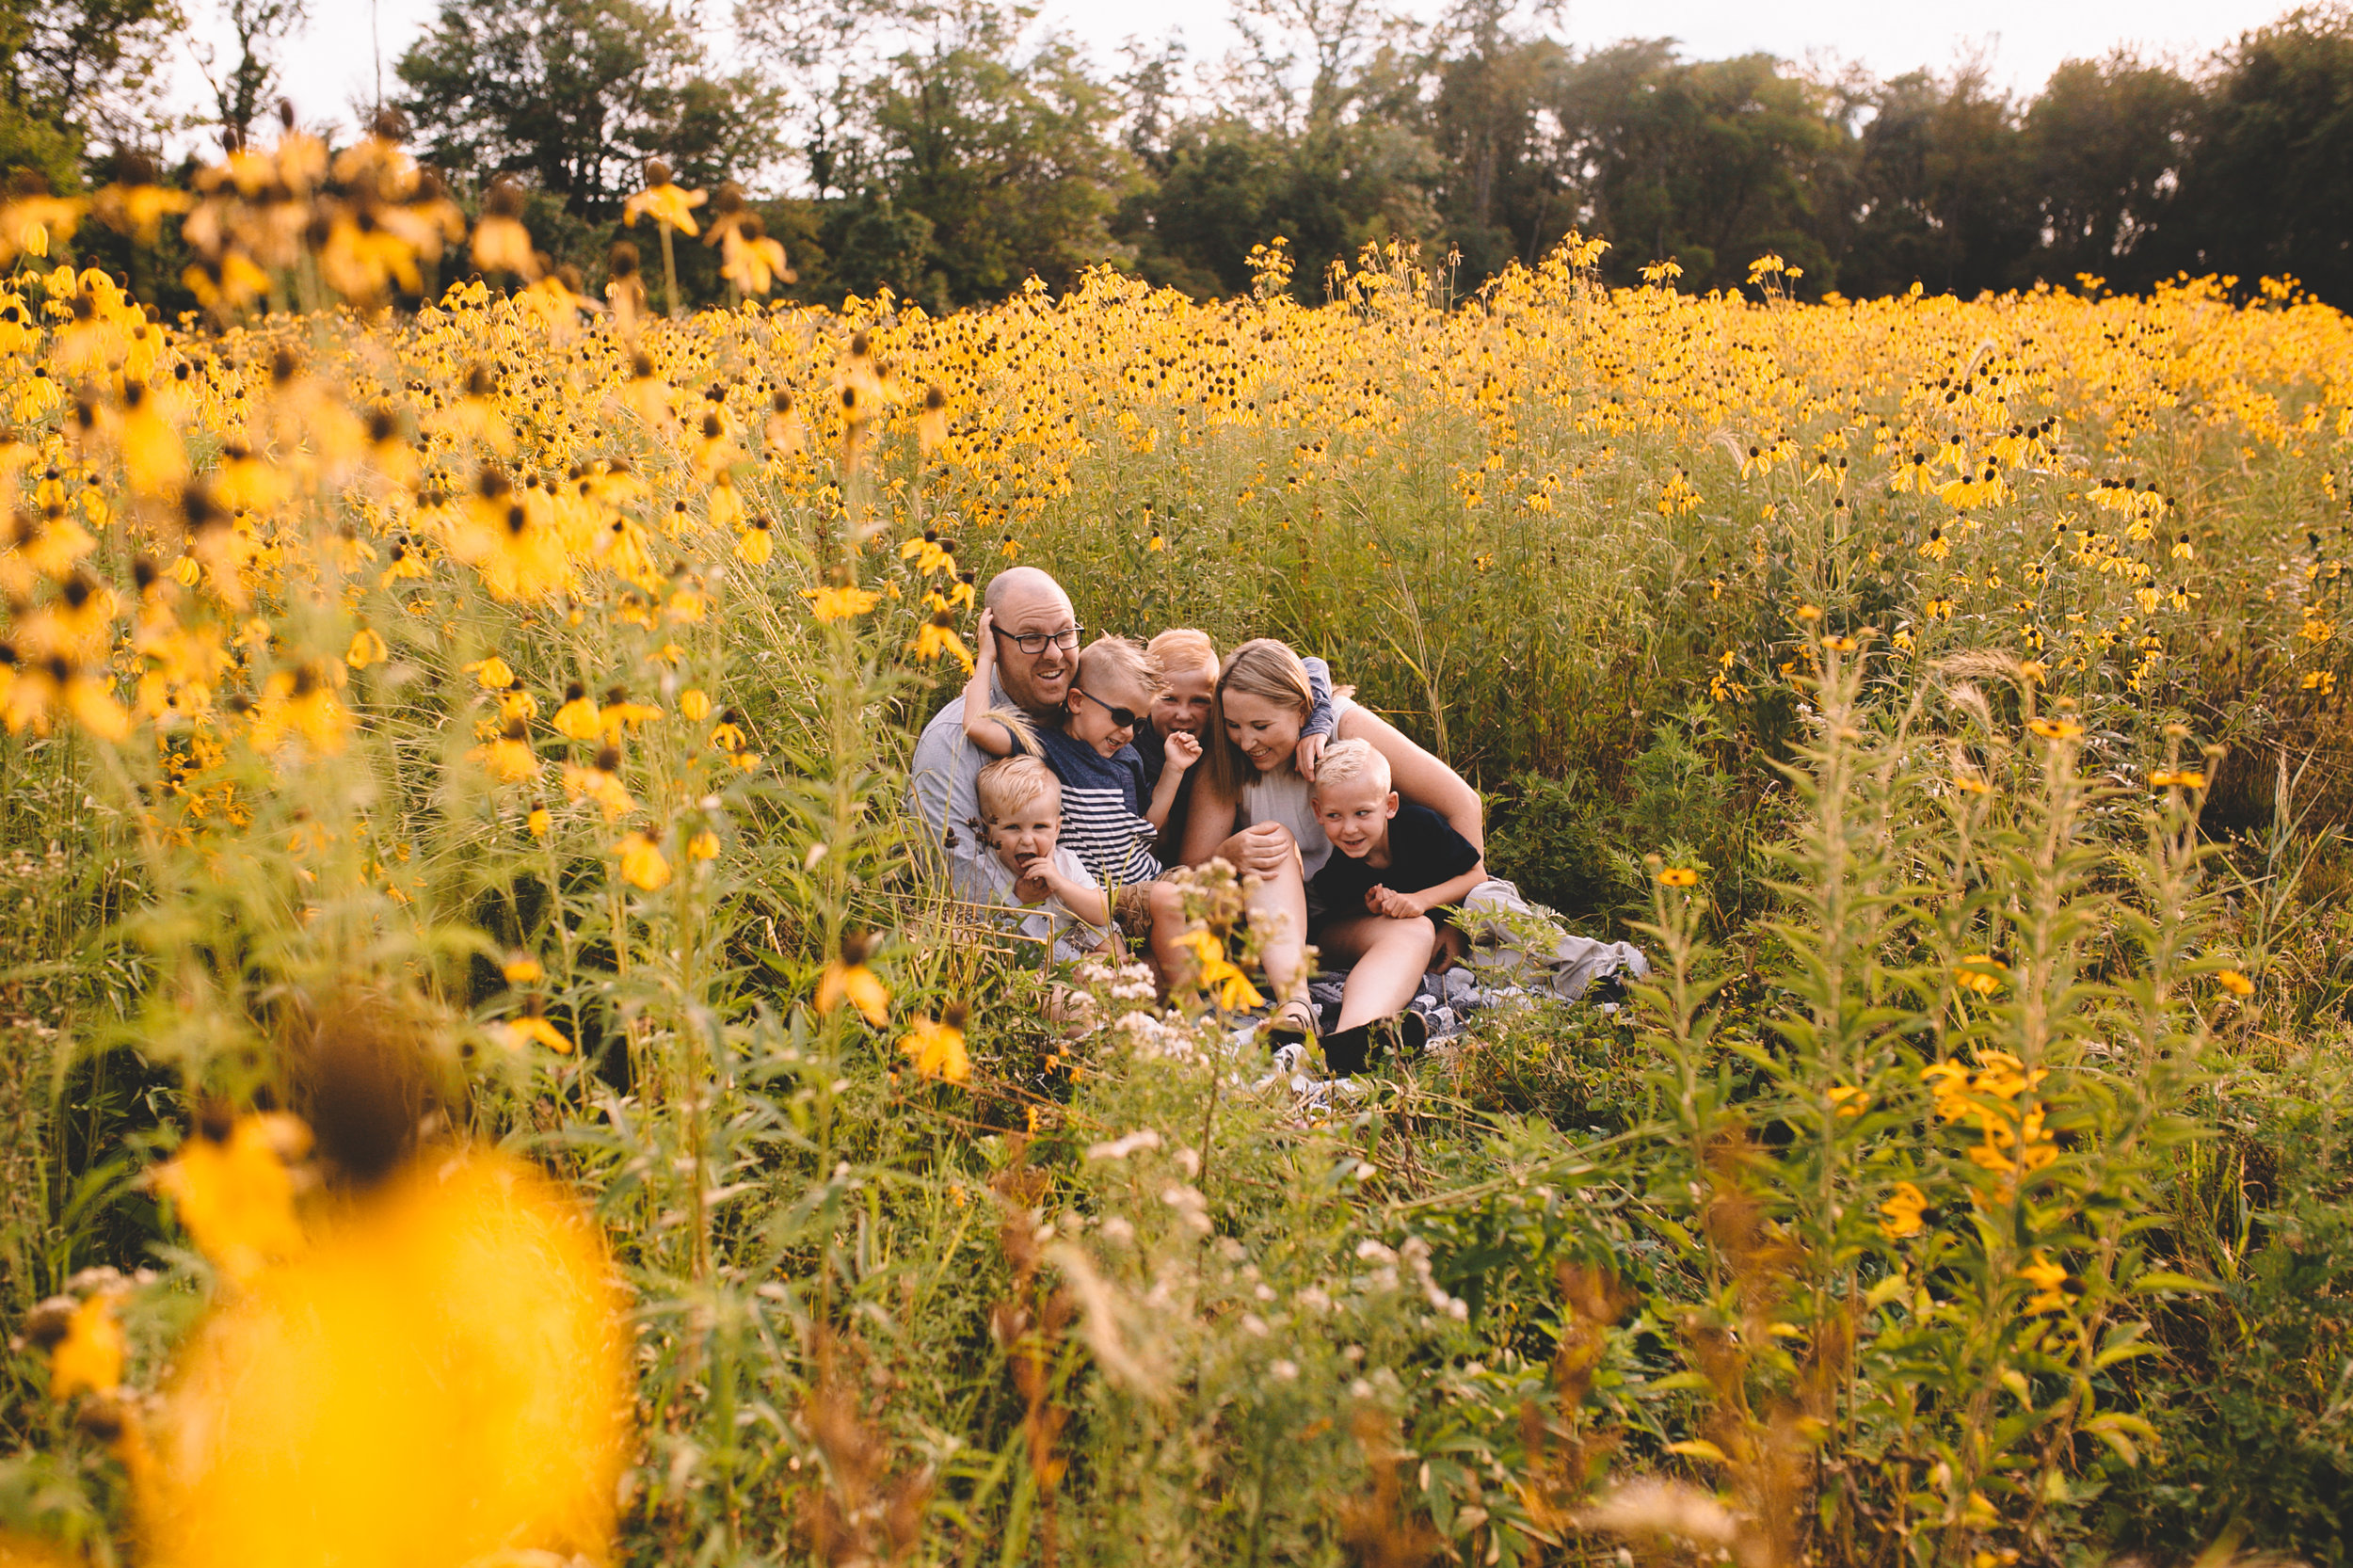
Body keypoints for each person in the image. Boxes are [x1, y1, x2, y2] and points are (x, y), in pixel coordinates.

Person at [1180, 639, 1486, 1055]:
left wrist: (1455, 921)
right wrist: (1228, 855)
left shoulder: (1345, 730)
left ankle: (1351, 1038)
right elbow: (1186, 873)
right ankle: (1297, 1008)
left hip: (1339, 922)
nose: (1245, 740)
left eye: (1261, 726)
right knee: (1273, 837)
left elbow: (1463, 803)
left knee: (1416, 929)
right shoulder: (1228, 760)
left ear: (1303, 710)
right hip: (1270, 930)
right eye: (1234, 725)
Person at [1306, 739, 1487, 1071]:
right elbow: (1334, 918)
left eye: (1362, 813)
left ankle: (1355, 1038)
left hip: (1428, 923)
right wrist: (1368, 909)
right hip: (1336, 938)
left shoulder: (1420, 827)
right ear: (1318, 812)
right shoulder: (1336, 866)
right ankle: (1355, 1036)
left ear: (1390, 805)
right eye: (1334, 816)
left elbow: (1477, 875)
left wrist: (1425, 904)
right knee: (1412, 929)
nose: (1349, 829)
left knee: (1495, 900)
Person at [961, 625, 1186, 887]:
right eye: (1121, 716)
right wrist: (986, 658)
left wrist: (1175, 769)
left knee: (1205, 893)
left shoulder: (1127, 758)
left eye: (1138, 724)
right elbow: (978, 726)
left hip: (1146, 876)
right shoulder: (1045, 746)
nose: (1128, 733)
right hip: (1102, 895)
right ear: (1077, 701)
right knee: (1171, 902)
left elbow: (1147, 823)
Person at [909, 566, 1080, 866]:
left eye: (1065, 633)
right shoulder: (951, 743)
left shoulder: (1097, 709)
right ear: (994, 642)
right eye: (1031, 638)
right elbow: (954, 876)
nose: (1054, 654)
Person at [1137, 629, 1337, 858]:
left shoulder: (1220, 733)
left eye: (1200, 701)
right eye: (1169, 699)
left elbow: (1312, 665)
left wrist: (1317, 721)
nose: (1183, 715)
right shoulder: (1133, 741)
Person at [952, 756, 1113, 965]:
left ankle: (1111, 971)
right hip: (1034, 960)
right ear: (989, 830)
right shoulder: (987, 871)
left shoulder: (1064, 862)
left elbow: (1103, 914)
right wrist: (1021, 900)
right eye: (1012, 827)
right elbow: (990, 928)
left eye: (1040, 827)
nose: (1027, 840)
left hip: (1076, 941)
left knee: (1109, 938)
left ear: (1056, 829)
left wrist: (1060, 883)